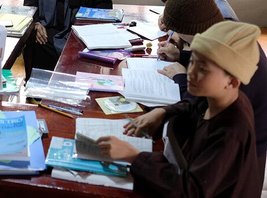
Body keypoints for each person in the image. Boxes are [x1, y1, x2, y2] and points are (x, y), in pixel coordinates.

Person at [97, 21, 262, 196]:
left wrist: (135, 158)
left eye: (203, 69)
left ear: (232, 81)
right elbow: (194, 106)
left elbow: (191, 191)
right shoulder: (221, 98)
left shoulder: (231, 130)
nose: (191, 73)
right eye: (192, 62)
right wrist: (164, 112)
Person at [157, 0, 267, 179]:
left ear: (187, 31)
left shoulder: (219, 60)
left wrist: (181, 76)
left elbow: (195, 106)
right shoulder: (228, 33)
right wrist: (181, 55)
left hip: (238, 161)